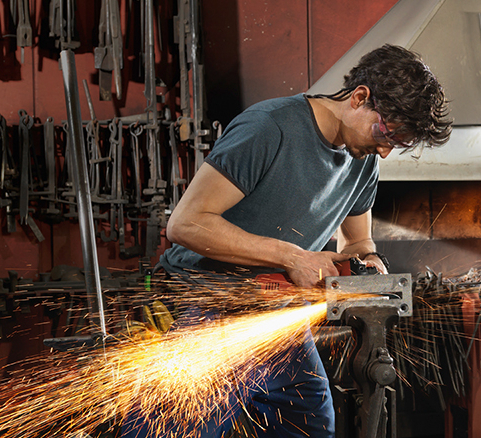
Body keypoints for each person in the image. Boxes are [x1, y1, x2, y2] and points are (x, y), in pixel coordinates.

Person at [121, 44, 451, 438]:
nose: (385, 148)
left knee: (308, 424)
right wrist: (291, 256)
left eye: (399, 143)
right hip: (205, 307)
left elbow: (357, 242)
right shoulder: (270, 127)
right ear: (360, 98)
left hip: (276, 315)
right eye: (387, 132)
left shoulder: (363, 161)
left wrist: (369, 264)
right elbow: (186, 224)